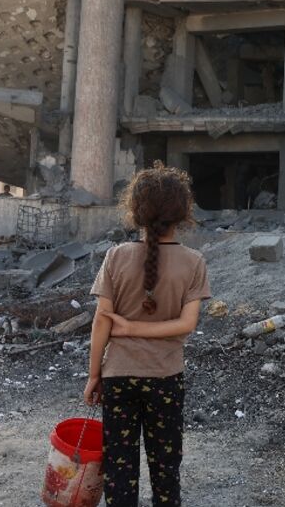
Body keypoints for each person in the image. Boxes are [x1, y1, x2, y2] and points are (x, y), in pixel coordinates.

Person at [83, 163, 211, 506]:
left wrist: (94, 375)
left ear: (135, 211)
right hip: (165, 378)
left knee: (119, 468)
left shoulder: (115, 256)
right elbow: (187, 324)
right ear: (183, 212)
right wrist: (137, 329)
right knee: (166, 468)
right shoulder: (194, 262)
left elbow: (101, 322)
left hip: (118, 377)